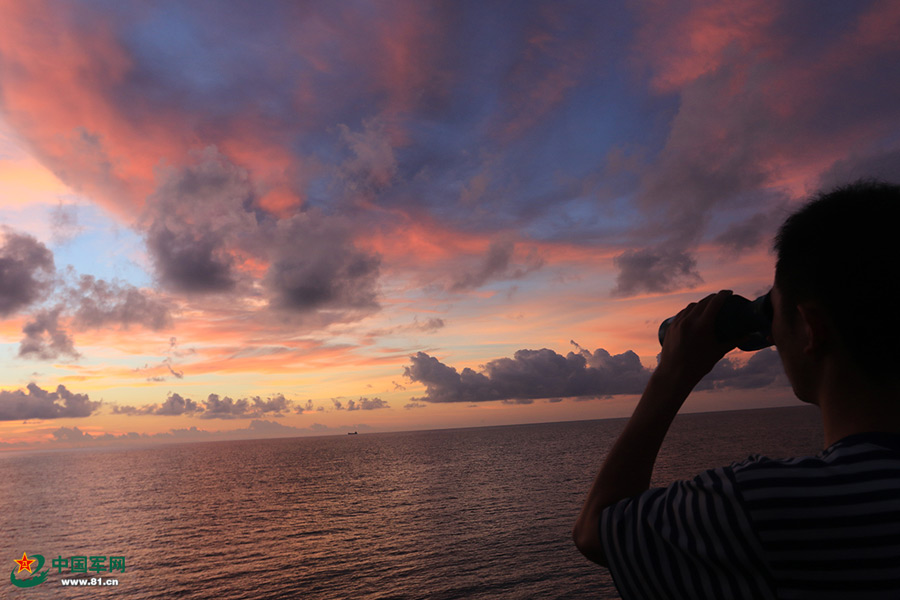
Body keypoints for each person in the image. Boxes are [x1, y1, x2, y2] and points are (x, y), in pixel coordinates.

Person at [573, 180, 900, 599]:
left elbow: (597, 530)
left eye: (774, 310)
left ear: (812, 329)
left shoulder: (763, 506)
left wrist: (672, 375)